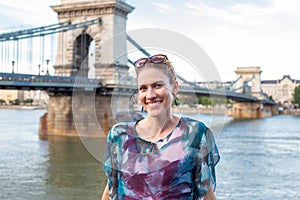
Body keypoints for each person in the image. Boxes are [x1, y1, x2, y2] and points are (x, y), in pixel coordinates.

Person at [102, 54, 220, 199]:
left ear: (174, 87)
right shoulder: (119, 135)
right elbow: (110, 189)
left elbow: (206, 194)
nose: (150, 95)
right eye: (143, 88)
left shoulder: (195, 133)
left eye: (157, 85)